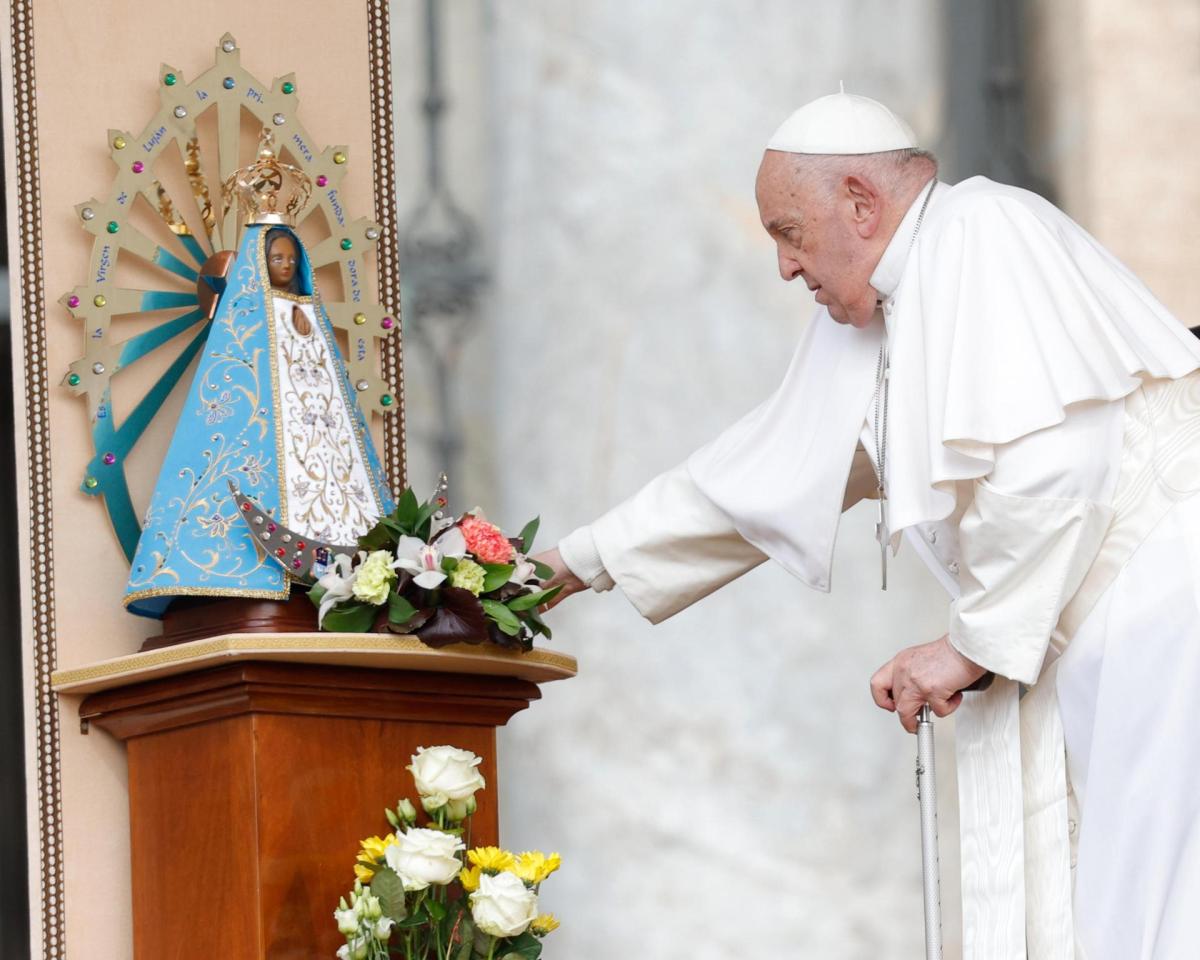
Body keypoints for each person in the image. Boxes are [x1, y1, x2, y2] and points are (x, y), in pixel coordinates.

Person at [533, 92, 1200, 959]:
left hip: (1164, 607)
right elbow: (745, 480)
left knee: (1160, 910)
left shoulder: (987, 231)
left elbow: (1055, 468)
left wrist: (972, 644)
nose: (782, 267)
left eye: (788, 232)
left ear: (860, 201)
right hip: (1103, 639)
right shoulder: (881, 308)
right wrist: (564, 565)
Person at [125, 213, 392, 617]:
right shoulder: (243, 319)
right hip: (266, 437)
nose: (284, 267)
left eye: (290, 260)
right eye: (276, 259)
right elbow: (234, 391)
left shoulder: (307, 314)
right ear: (257, 264)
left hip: (313, 429)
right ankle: (254, 577)